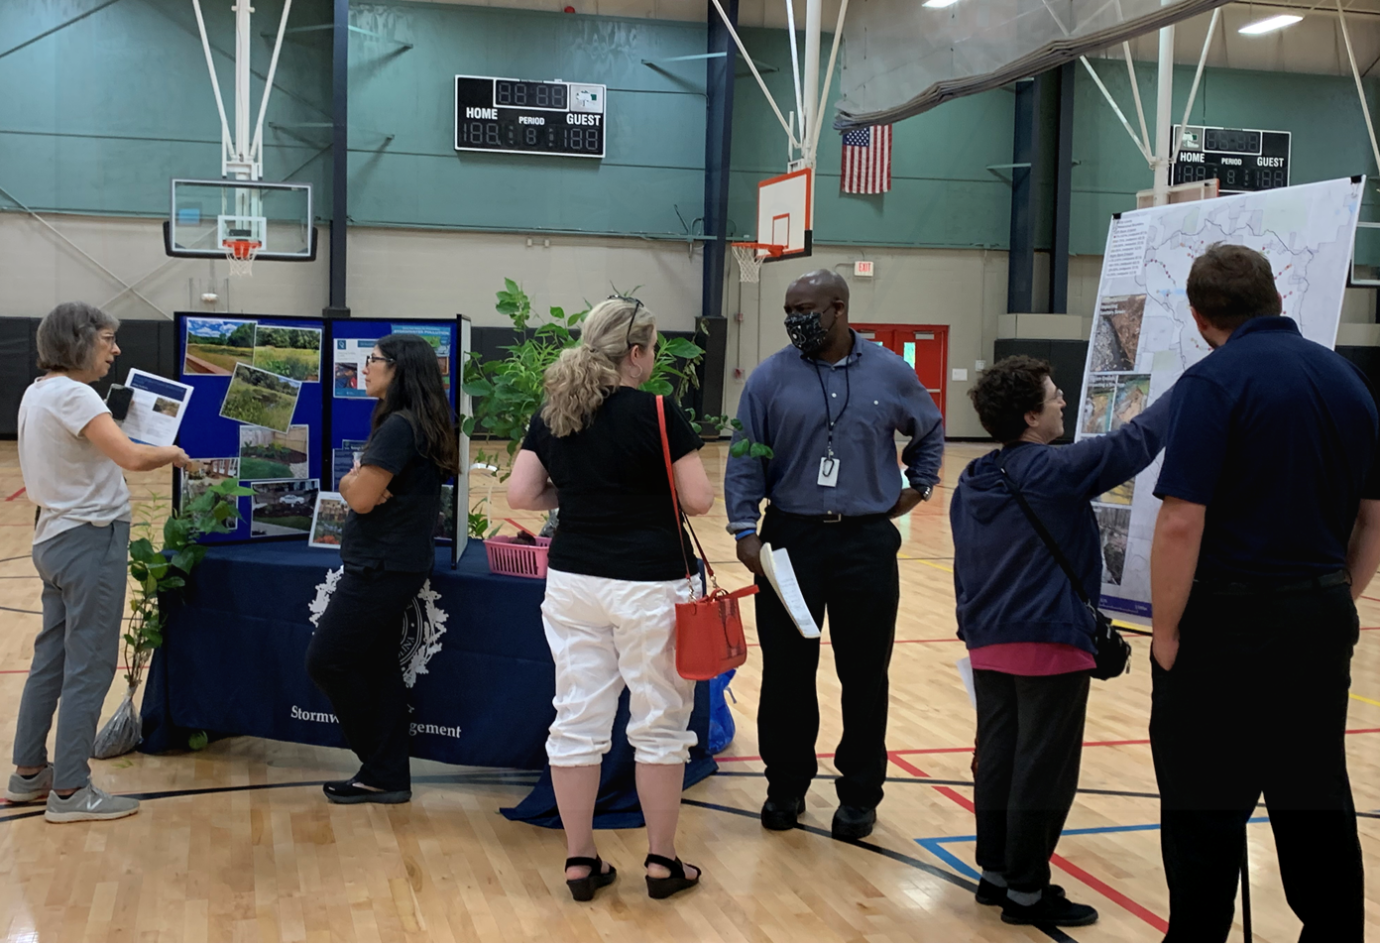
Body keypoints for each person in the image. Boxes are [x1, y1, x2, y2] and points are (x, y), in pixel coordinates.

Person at [1149, 243, 1380, 942]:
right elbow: (1373, 517)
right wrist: (1340, 591)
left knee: (1203, 802)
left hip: (1227, 623)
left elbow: (1182, 522)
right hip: (1318, 613)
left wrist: (1165, 633)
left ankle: (1197, 934)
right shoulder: (1347, 380)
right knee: (1313, 792)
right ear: (1277, 299)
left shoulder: (1214, 383)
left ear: (1197, 316)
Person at [949, 356, 1171, 927]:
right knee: (1042, 768)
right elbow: (1137, 438)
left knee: (998, 758)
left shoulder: (972, 479)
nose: (1064, 402)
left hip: (987, 639)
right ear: (1030, 415)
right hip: (1049, 640)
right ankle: (1027, 891)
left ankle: (994, 873)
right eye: (1054, 395)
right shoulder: (1052, 469)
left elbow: (966, 565)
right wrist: (1198, 384)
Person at [724, 269, 944, 841]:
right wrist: (745, 530)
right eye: (788, 308)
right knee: (787, 674)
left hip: (865, 543)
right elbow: (745, 456)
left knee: (865, 675)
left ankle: (860, 794)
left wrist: (918, 487)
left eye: (806, 307)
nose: (795, 318)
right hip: (789, 541)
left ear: (839, 308)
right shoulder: (769, 378)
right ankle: (786, 785)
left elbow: (930, 429)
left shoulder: (891, 372)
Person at [507, 297, 715, 902]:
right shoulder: (656, 409)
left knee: (576, 719)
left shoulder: (557, 409)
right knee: (659, 725)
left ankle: (579, 860)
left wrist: (577, 495)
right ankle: (661, 861)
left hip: (574, 580)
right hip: (651, 582)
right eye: (652, 350)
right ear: (635, 352)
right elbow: (698, 500)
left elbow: (522, 493)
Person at [10, 302, 191, 822]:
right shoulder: (75, 393)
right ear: (80, 341)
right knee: (89, 665)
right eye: (108, 339)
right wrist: (174, 453)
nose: (115, 350)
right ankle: (70, 790)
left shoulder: (38, 391)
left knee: (52, 660)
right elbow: (132, 456)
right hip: (89, 540)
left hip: (53, 538)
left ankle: (29, 774)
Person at [305, 334, 460, 805]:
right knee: (378, 668)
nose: (364, 367)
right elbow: (367, 490)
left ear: (398, 370)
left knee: (327, 660)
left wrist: (353, 479)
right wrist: (360, 480)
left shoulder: (398, 426)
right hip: (395, 562)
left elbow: (359, 496)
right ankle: (386, 775)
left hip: (380, 566)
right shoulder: (418, 422)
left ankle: (380, 763)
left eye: (372, 360)